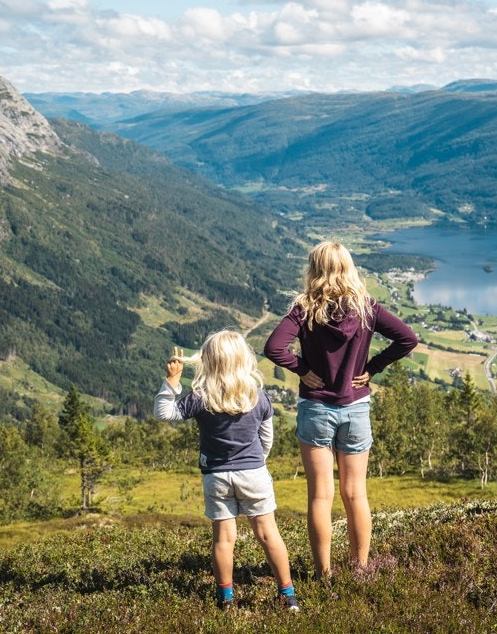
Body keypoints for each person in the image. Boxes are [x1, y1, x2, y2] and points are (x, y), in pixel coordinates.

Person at [263, 241, 418, 577]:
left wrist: (302, 369)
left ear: (314, 270)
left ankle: (323, 574)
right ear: (348, 267)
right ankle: (360, 569)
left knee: (321, 497)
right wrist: (372, 368)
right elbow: (408, 338)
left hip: (316, 409)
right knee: (355, 495)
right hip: (356, 409)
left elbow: (274, 347)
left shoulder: (304, 309)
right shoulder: (367, 308)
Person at [154, 331, 299, 612]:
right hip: (253, 473)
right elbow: (266, 438)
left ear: (208, 361)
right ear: (244, 359)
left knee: (223, 539)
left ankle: (226, 600)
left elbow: (164, 413)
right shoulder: (258, 397)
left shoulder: (200, 397)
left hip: (217, 476)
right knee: (269, 535)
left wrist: (172, 381)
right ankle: (288, 596)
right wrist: (256, 461)